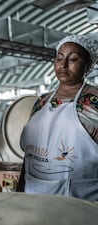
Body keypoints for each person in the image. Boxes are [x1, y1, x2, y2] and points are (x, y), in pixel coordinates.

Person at [17, 35, 98, 201]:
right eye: (59, 58)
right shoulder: (42, 101)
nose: (63, 64)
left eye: (73, 59)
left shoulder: (94, 99)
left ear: (87, 65)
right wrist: (18, 192)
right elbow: (28, 155)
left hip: (79, 199)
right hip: (33, 195)